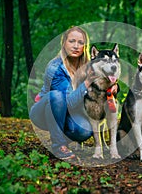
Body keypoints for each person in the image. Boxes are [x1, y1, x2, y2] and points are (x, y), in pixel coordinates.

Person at [29, 26, 95, 160]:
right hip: (44, 111)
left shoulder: (89, 66)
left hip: (68, 113)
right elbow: (68, 102)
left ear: (85, 46)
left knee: (85, 130)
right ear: (64, 43)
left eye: (80, 42)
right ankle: (58, 145)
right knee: (57, 96)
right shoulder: (55, 68)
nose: (76, 46)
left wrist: (114, 87)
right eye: (72, 41)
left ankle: (57, 134)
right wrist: (87, 83)